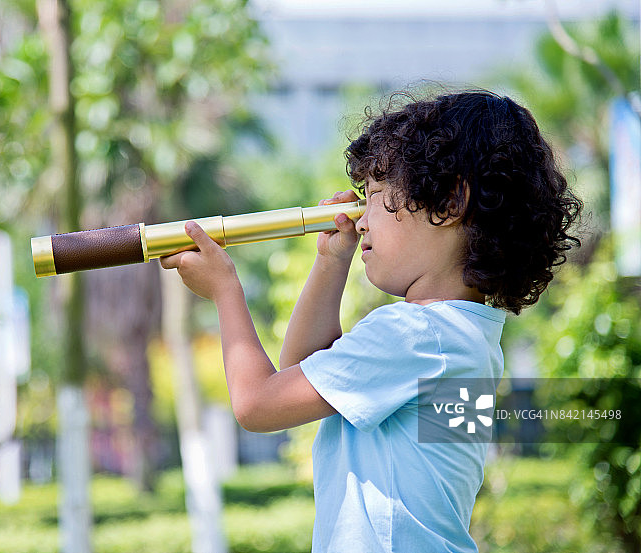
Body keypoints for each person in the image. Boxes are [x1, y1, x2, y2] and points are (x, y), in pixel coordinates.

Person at [160, 89, 582, 552]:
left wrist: (225, 290)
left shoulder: (415, 334)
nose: (360, 221)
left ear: (450, 202)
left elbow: (258, 404)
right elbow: (303, 371)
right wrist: (329, 262)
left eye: (378, 198)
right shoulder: (467, 338)